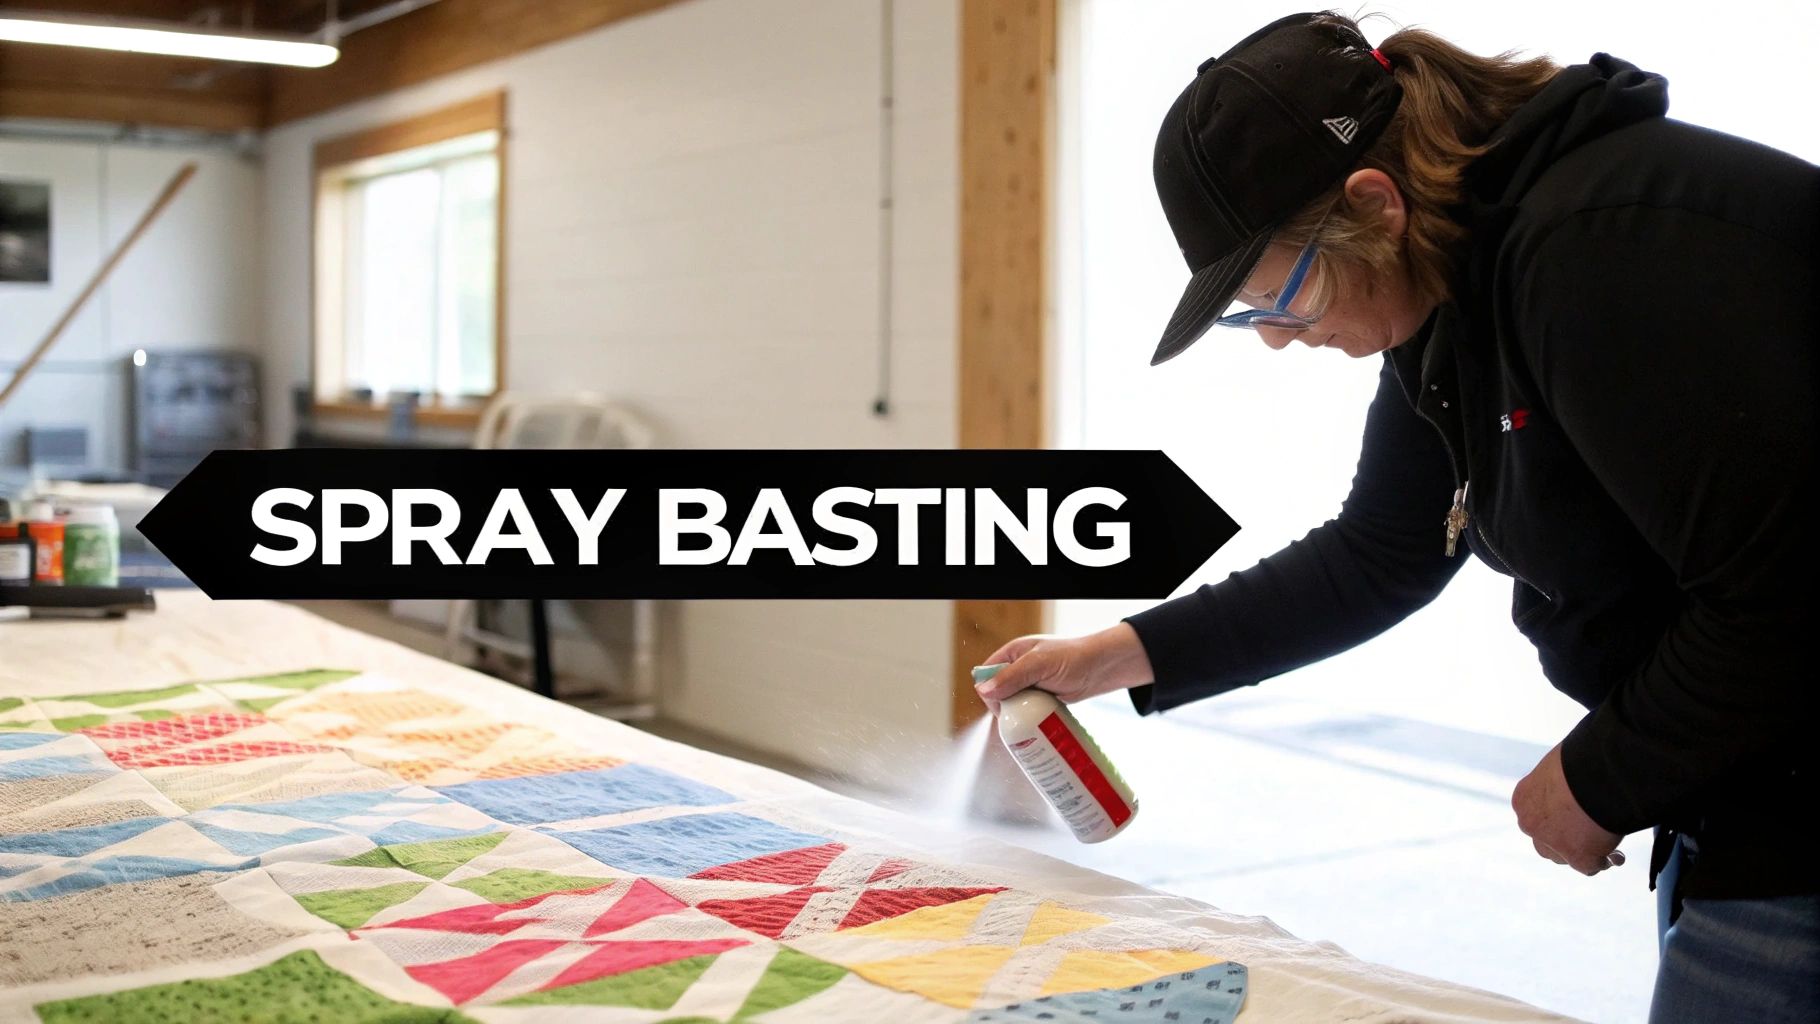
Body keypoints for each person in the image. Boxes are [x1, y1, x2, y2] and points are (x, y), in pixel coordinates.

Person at [974, 10, 1819, 1023]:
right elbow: (1380, 551)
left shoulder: (1604, 249)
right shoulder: (1449, 297)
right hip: (1735, 775)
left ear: (1371, 203)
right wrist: (1112, 654)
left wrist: (1602, 774)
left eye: (1276, 297)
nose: (1279, 340)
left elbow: (1787, 593)